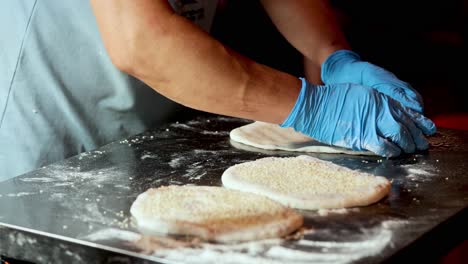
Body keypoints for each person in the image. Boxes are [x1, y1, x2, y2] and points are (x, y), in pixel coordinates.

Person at [0, 0, 435, 182]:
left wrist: (332, 53)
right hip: (44, 118)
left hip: (145, 123)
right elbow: (140, 40)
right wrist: (312, 105)